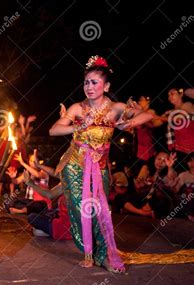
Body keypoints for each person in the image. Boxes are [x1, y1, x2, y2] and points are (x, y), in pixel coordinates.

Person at [49, 56, 155, 273]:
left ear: (106, 86)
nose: (89, 87)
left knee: (101, 210)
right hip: (75, 165)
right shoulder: (77, 108)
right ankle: (93, 253)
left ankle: (103, 254)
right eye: (86, 82)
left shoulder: (116, 108)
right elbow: (54, 130)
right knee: (81, 209)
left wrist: (130, 122)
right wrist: (77, 128)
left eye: (94, 82)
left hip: (100, 168)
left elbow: (149, 115)